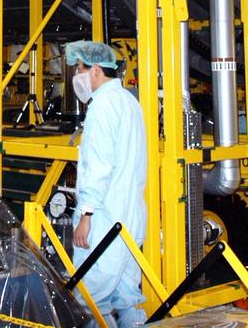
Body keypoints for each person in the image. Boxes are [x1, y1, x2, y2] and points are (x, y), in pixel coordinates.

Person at [66, 40, 147, 328]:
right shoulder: (129, 101)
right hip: (131, 218)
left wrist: (86, 214)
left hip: (104, 220)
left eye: (79, 68)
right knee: (128, 298)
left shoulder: (101, 107)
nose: (76, 75)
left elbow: (99, 166)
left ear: (96, 70)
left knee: (92, 301)